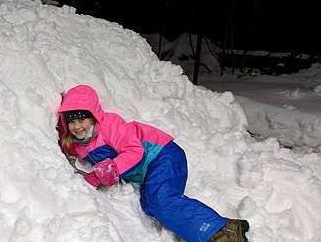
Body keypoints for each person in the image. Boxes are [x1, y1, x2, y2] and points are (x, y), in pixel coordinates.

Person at [57, 84, 250, 242]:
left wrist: (104, 172)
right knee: (151, 204)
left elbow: (135, 151)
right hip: (149, 170)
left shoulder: (110, 126)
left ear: (93, 117)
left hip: (162, 155)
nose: (76, 127)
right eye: (71, 122)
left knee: (161, 200)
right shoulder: (77, 143)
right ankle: (224, 225)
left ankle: (221, 233)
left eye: (82, 119)